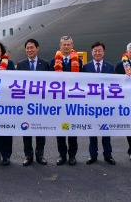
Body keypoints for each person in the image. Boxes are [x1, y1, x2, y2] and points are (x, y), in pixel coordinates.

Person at [49, 36, 83, 165]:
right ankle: (62, 155)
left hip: (73, 101)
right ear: (60, 46)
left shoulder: (78, 62)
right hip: (58, 101)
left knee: (72, 130)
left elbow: (83, 80)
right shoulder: (53, 61)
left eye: (68, 44)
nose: (66, 47)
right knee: (60, 131)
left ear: (72, 46)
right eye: (64, 44)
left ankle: (72, 156)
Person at [16, 38, 49, 166]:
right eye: (27, 48)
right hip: (26, 103)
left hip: (41, 103)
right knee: (27, 129)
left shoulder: (45, 64)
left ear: (37, 48)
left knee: (41, 129)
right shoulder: (21, 64)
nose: (29, 50)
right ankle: (28, 155)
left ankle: (40, 154)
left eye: (32, 48)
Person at [82, 41, 116, 165]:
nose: (97, 53)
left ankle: (108, 155)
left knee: (106, 132)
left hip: (105, 105)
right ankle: (93, 155)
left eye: (99, 50)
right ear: (91, 52)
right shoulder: (85, 67)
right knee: (92, 132)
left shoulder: (110, 66)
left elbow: (114, 85)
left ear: (103, 52)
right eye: (95, 51)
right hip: (91, 105)